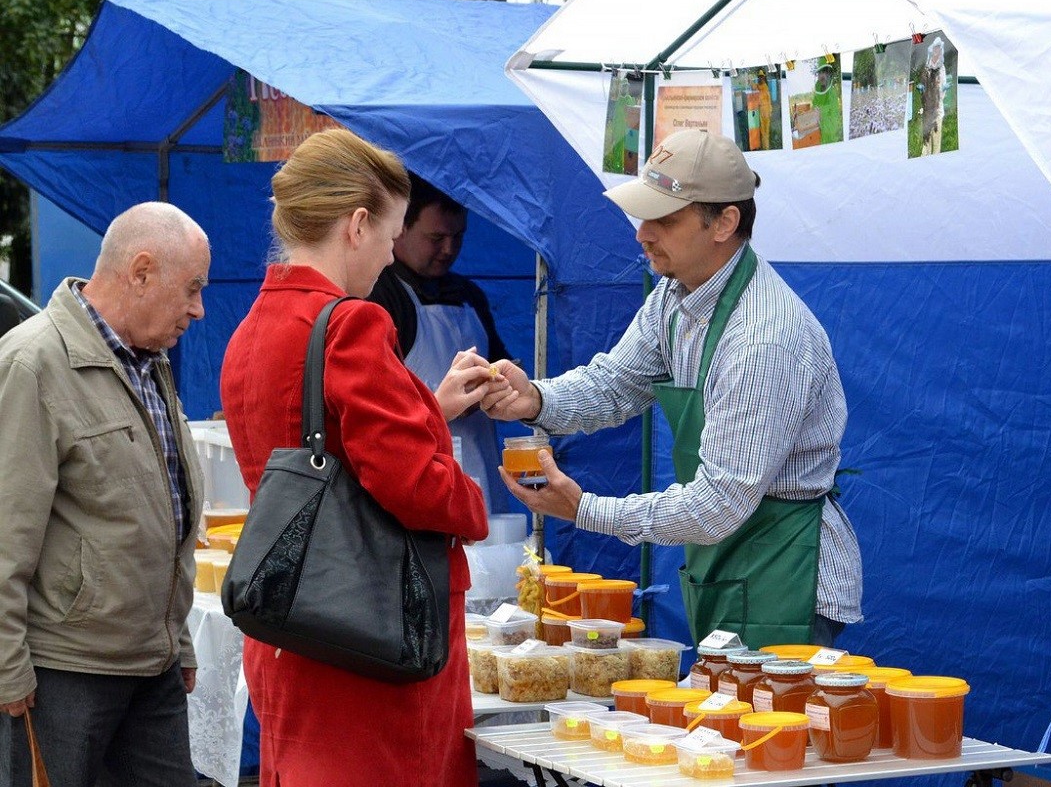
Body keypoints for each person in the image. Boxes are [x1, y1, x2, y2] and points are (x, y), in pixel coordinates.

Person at [484, 129, 863, 650]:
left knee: (770, 730)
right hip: (726, 559)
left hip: (786, 571)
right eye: (643, 216)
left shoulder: (764, 336)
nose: (642, 233)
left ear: (724, 223)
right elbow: (615, 384)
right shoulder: (673, 296)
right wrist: (537, 399)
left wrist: (586, 509)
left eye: (664, 219)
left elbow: (717, 505)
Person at [221, 128, 494, 786]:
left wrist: (428, 408)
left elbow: (334, 446)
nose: (391, 256)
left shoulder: (252, 329)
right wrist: (473, 501)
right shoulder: (352, 323)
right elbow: (410, 484)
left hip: (292, 619)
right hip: (371, 633)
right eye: (393, 234)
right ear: (358, 224)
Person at [0, 202, 210, 786]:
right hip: (63, 673)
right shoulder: (33, 363)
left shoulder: (149, 361)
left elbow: (164, 509)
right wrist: (6, 668)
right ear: (140, 271)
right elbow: (4, 536)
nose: (200, 308)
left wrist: (180, 638)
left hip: (154, 665)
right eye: (192, 288)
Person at [368, 174, 511, 513]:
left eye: (457, 237)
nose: (448, 249)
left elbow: (504, 362)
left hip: (481, 468)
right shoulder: (380, 295)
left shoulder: (469, 295)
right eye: (436, 238)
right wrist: (441, 402)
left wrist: (501, 381)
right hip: (421, 473)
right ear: (400, 228)